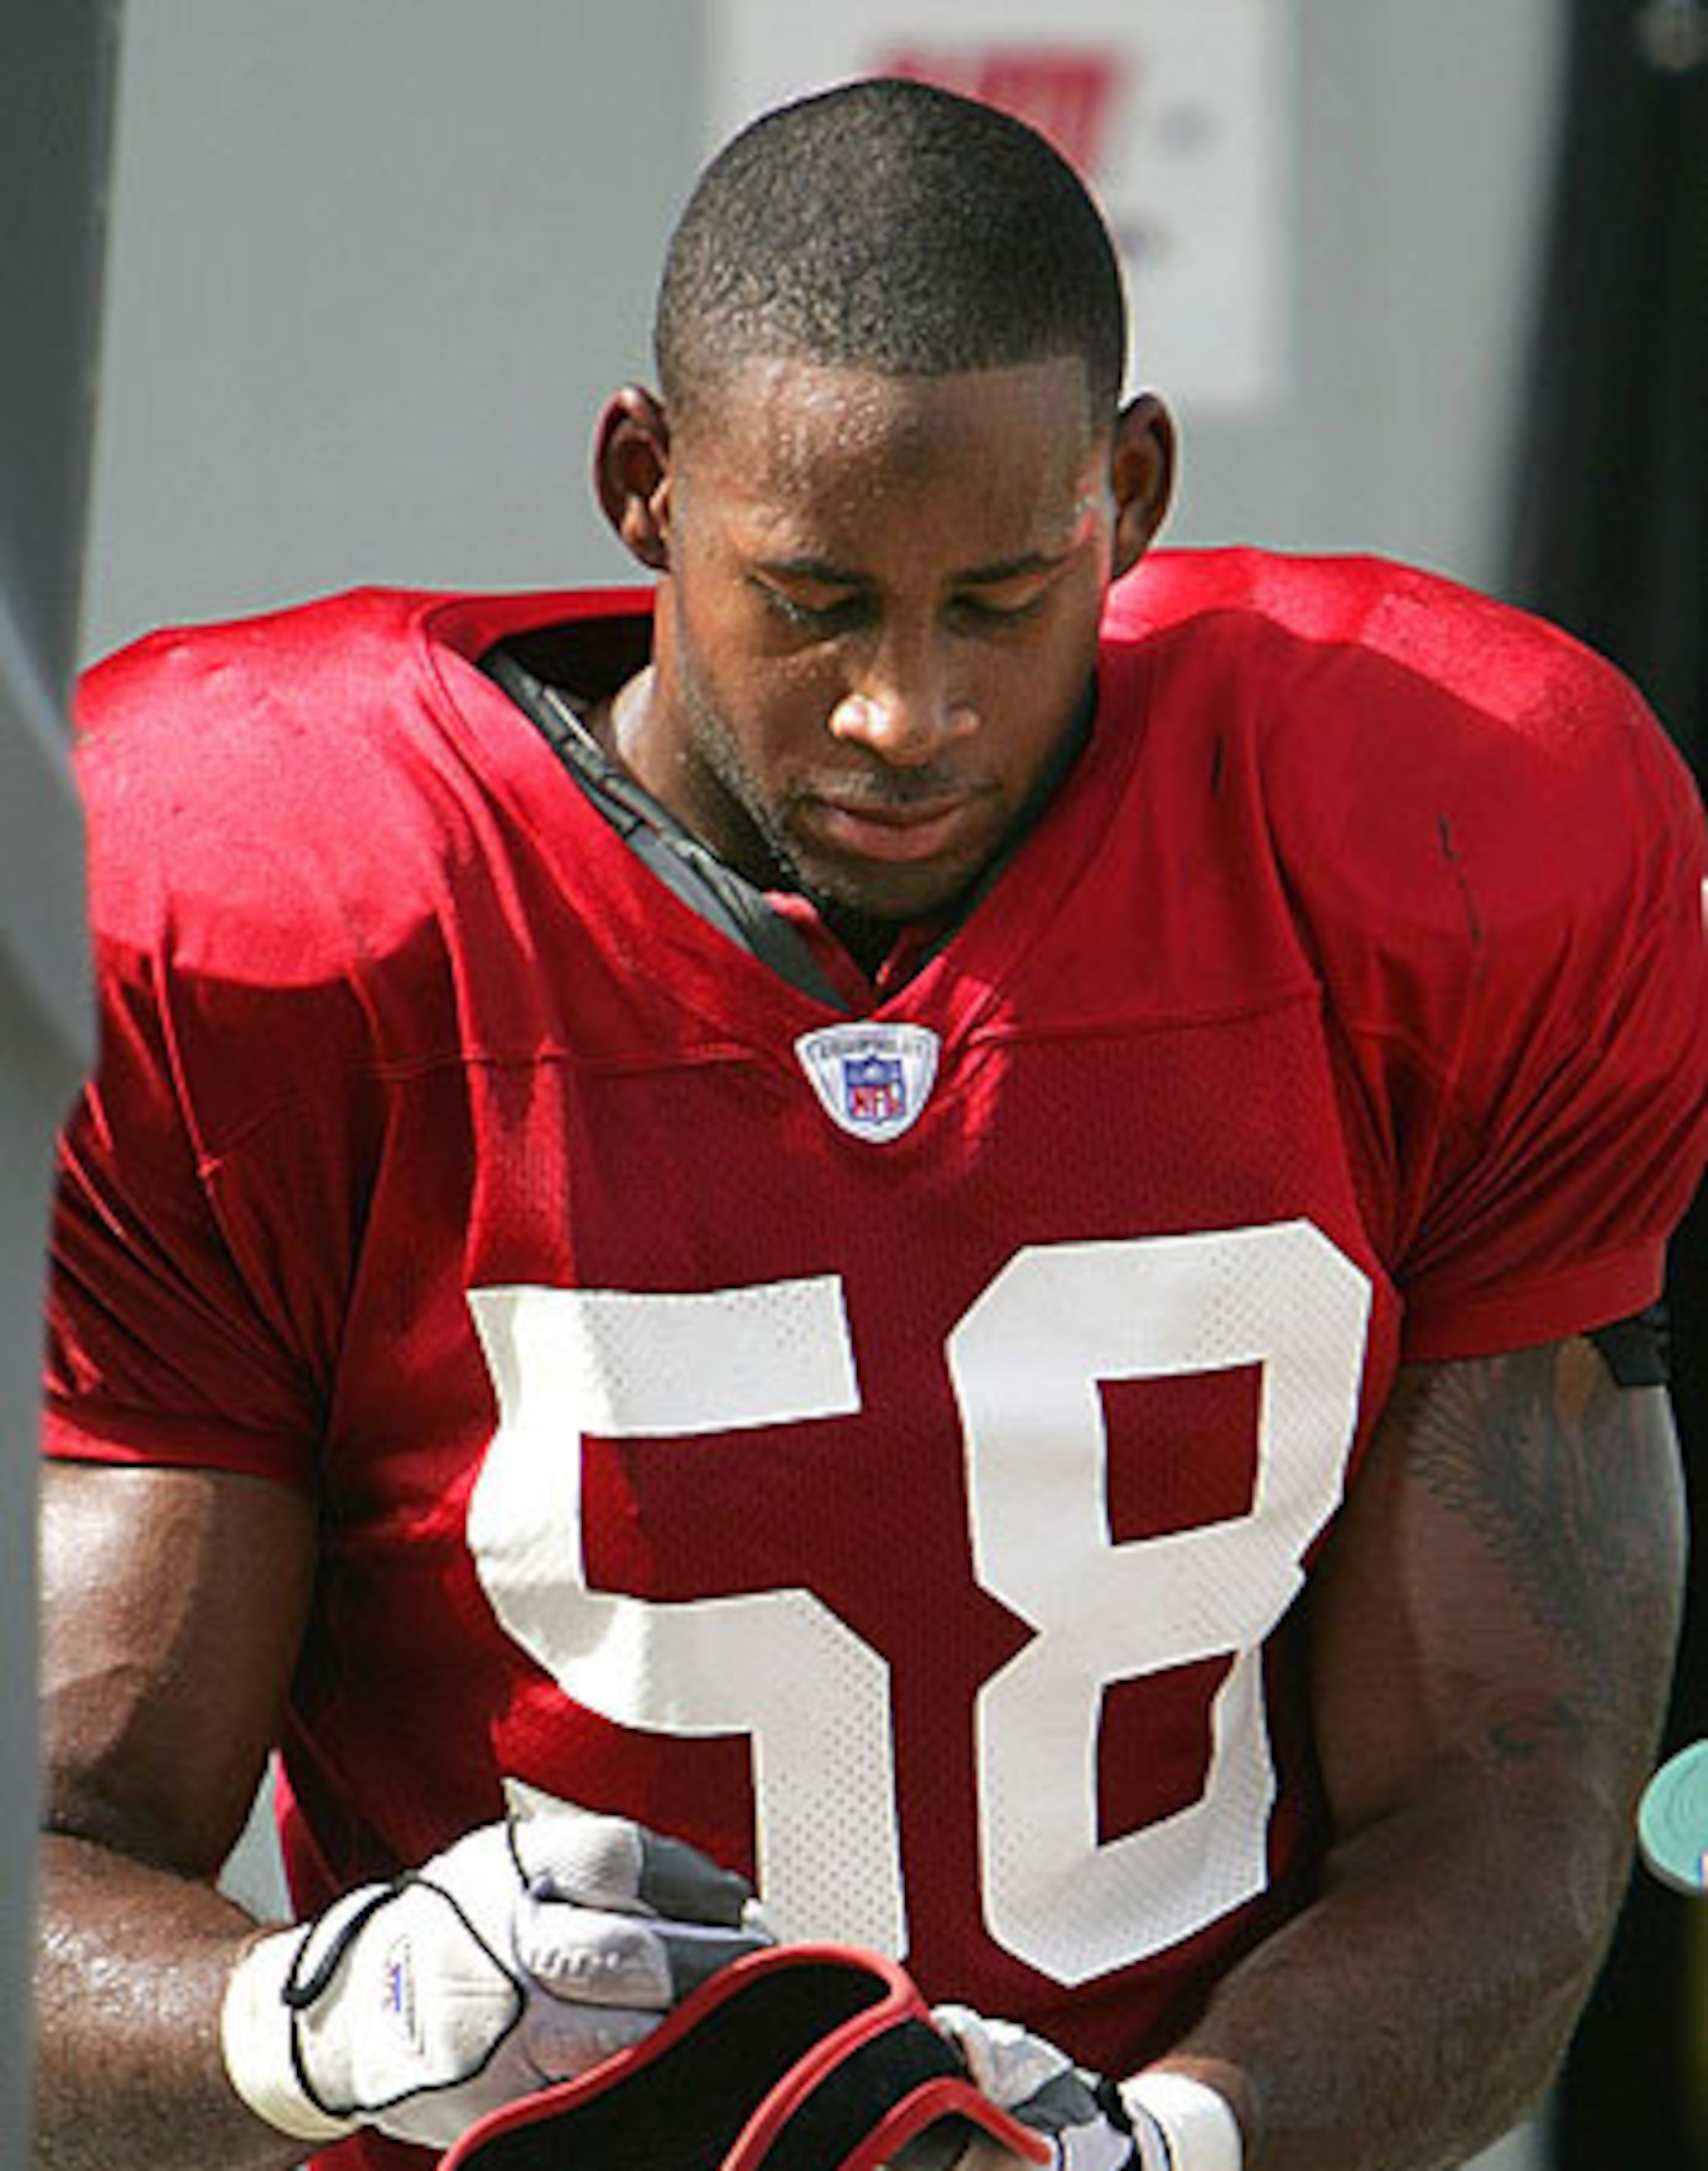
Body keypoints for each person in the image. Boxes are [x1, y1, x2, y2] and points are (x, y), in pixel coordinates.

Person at [33, 74, 1708, 2171]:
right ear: (644, 487)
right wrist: (333, 2016)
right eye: (817, 599)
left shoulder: (1454, 843)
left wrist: (1159, 2148)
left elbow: (1509, 1798)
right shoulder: (277, 913)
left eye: (1003, 602)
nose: (906, 714)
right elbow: (56, 1870)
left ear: (1135, 488)